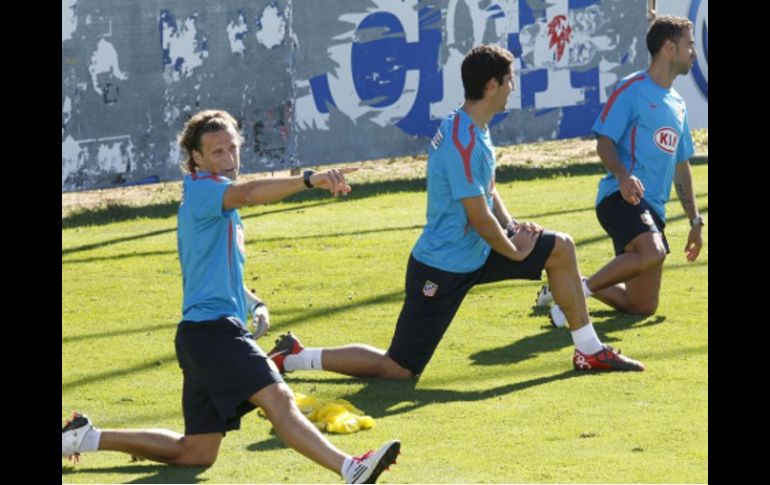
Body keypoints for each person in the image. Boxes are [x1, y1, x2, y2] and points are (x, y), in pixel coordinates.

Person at [62, 109, 400, 484]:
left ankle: (86, 437)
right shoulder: (206, 191)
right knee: (279, 400)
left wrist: (253, 303)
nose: (229, 159)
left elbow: (211, 273)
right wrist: (310, 180)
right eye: (217, 152)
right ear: (196, 158)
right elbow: (250, 193)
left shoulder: (209, 198)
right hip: (215, 334)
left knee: (197, 451)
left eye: (232, 149)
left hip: (199, 338)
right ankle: (352, 469)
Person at [265, 45, 644, 378]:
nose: (513, 87)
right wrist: (515, 251)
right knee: (398, 368)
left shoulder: (474, 126)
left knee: (561, 247)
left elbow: (487, 192)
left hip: (478, 252)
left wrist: (512, 228)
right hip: (441, 268)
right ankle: (296, 357)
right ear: (492, 85)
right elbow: (478, 218)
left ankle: (589, 350)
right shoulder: (463, 141)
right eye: (509, 80)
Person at [536, 16, 705, 328]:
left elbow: (682, 167)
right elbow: (604, 142)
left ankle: (569, 283)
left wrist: (695, 221)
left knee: (642, 305)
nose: (694, 52)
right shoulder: (631, 88)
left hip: (652, 211)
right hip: (620, 198)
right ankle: (573, 300)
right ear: (669, 48)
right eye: (690, 45)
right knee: (653, 251)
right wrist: (623, 176)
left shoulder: (679, 104)